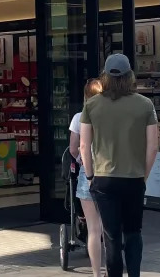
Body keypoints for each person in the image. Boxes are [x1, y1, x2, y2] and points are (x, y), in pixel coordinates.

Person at [80, 54, 159, 277]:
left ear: (105, 76)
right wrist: (144, 176)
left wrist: (89, 175)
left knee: (112, 236)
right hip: (134, 178)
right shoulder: (145, 105)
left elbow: (85, 145)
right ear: (129, 76)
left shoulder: (92, 104)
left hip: (103, 179)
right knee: (134, 232)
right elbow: (152, 147)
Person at [68, 78, 104, 277]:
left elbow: (74, 148)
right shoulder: (110, 116)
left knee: (93, 228)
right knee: (109, 226)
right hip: (110, 170)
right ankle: (113, 267)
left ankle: (97, 273)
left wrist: (81, 161)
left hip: (87, 172)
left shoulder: (79, 117)